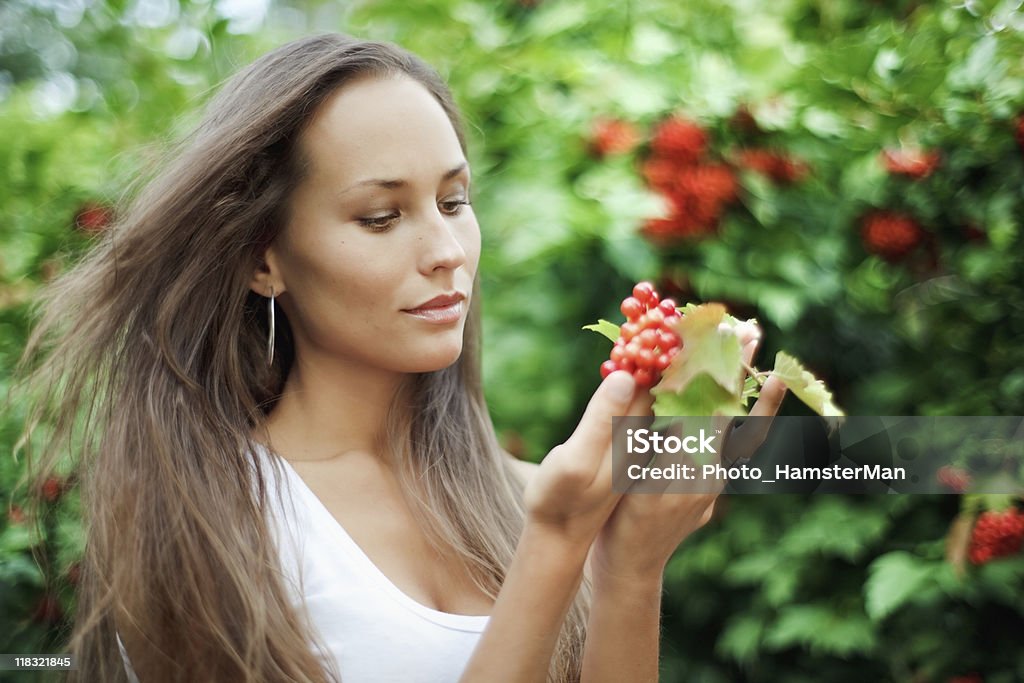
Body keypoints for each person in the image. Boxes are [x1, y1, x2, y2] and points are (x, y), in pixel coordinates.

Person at [18, 33, 787, 682]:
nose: (447, 251)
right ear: (264, 259)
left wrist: (631, 567)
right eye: (382, 216)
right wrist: (555, 545)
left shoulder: (523, 494)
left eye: (454, 202)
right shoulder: (211, 537)